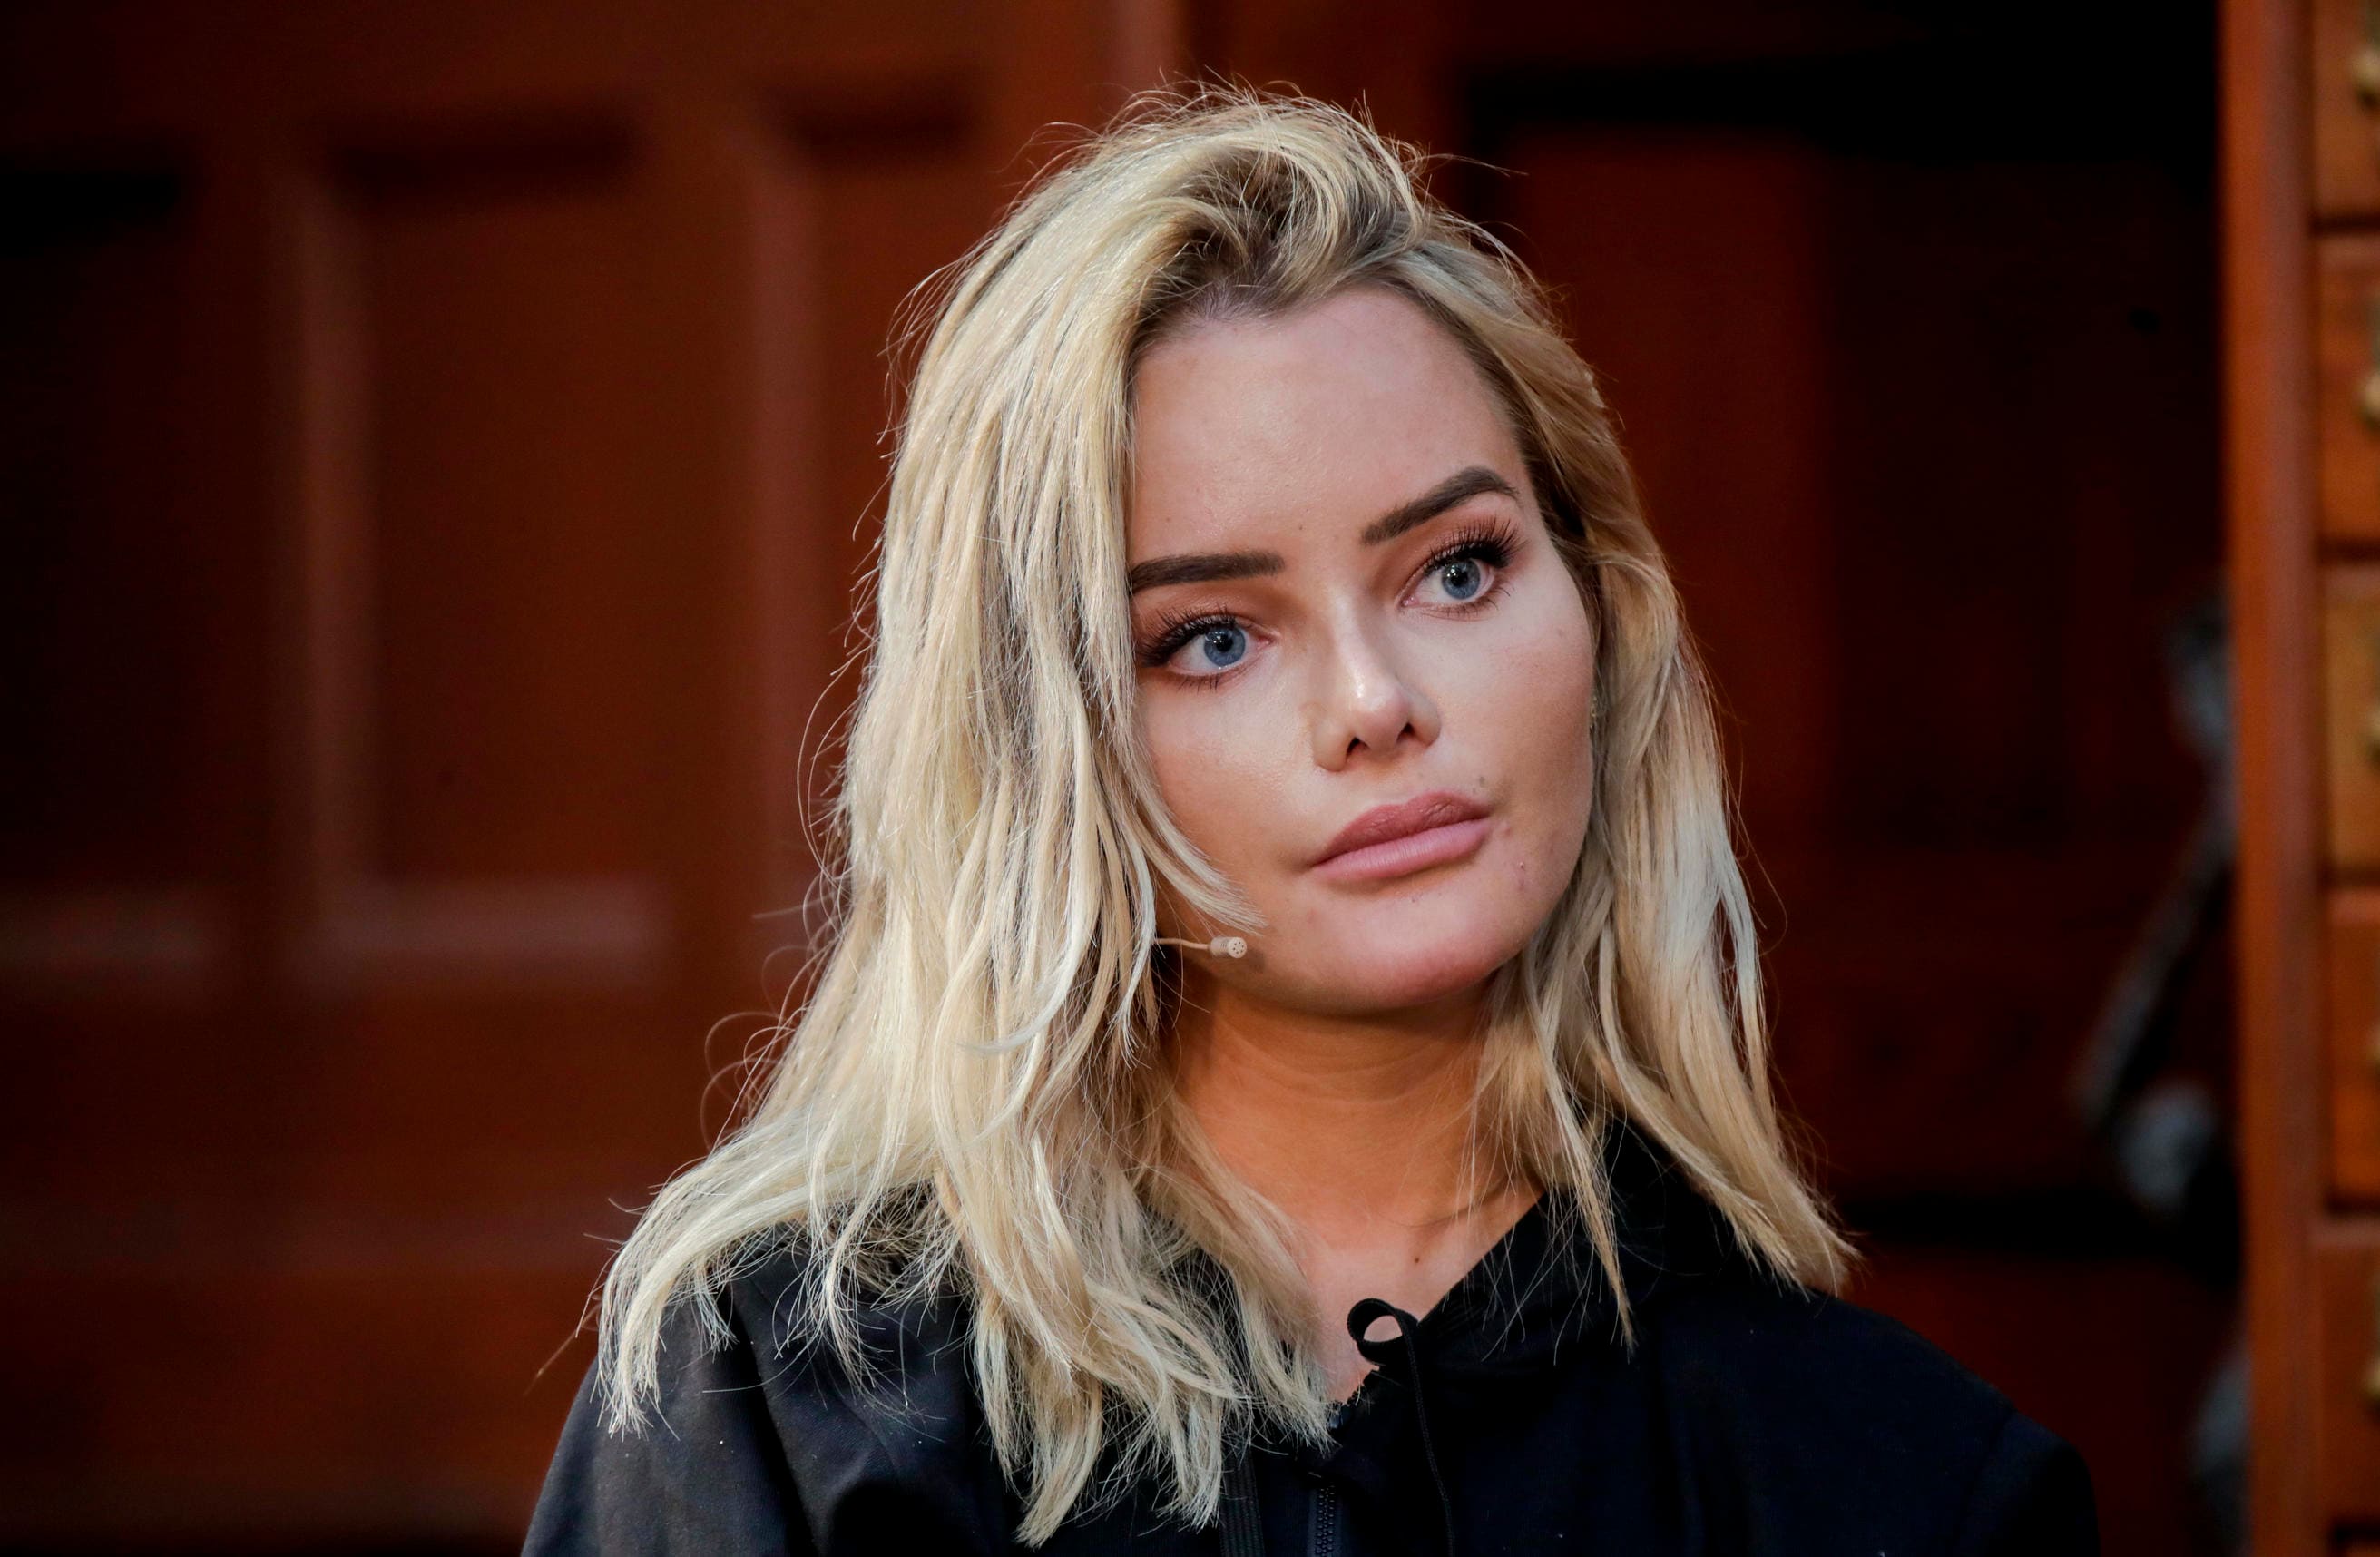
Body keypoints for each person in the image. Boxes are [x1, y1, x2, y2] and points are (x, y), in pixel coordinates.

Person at [522, 89, 2100, 1555]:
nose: (1375, 701)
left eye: (1458, 570)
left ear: (1602, 611)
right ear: (1044, 739)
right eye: (1213, 636)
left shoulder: (1903, 1486)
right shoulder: (774, 1405)